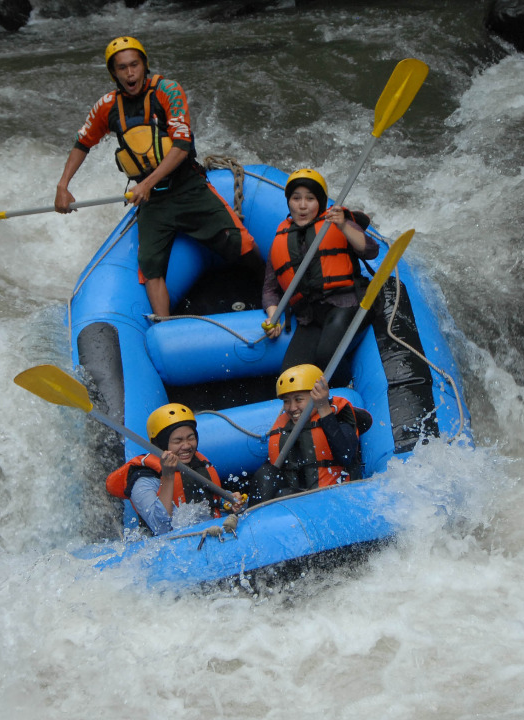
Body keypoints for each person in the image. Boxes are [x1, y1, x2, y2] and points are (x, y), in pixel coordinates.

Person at [54, 36, 261, 318]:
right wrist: (63, 185)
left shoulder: (168, 91)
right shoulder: (107, 106)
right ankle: (164, 326)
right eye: (122, 68)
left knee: (241, 243)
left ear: (144, 65)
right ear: (113, 73)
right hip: (153, 202)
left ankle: (274, 291)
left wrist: (147, 184)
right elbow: (82, 144)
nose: (130, 74)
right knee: (151, 267)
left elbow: (181, 146)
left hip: (187, 187)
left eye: (134, 65)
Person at [261, 168, 379, 370]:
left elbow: (370, 251)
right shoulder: (280, 240)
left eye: (310, 199)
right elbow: (270, 290)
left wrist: (343, 226)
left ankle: (344, 389)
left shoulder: (338, 222)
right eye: (296, 198)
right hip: (311, 317)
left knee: (326, 356)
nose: (303, 206)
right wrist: (273, 315)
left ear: (320, 202)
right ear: (289, 201)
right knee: (291, 373)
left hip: (347, 303)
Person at [104, 402, 239, 536]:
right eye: (177, 441)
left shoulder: (197, 463)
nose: (186, 446)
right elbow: (160, 528)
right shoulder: (143, 478)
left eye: (190, 438)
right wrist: (167, 476)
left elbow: (208, 502)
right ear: (162, 444)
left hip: (209, 532)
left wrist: (228, 502)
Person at [247, 364, 372, 505]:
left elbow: (346, 456)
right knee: (266, 474)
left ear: (316, 396)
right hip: (302, 500)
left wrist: (323, 408)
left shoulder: (338, 419)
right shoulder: (286, 430)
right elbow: (271, 475)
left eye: (298, 399)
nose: (292, 408)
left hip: (337, 499)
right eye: (286, 401)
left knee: (286, 494)